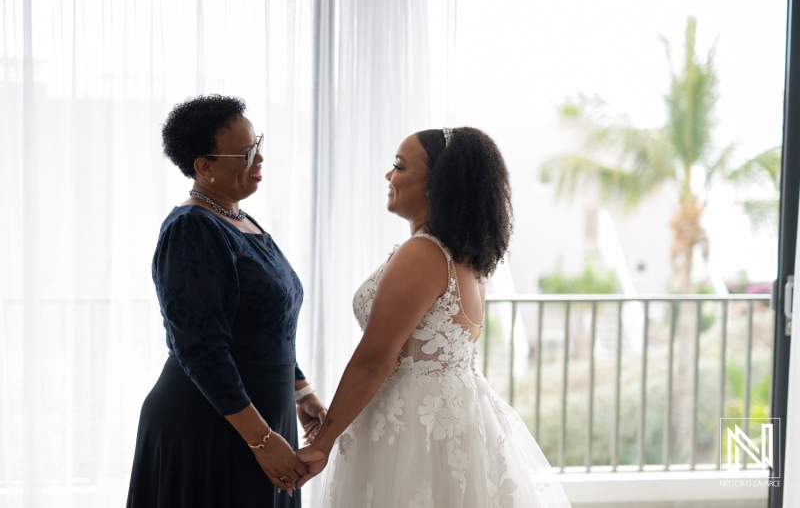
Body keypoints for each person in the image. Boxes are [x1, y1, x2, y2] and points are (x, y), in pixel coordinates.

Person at [296, 127, 572, 507]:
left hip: (414, 427)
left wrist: (322, 444)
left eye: (398, 166)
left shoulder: (423, 254)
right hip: (454, 420)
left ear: (435, 185)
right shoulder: (466, 258)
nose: (388, 176)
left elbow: (374, 360)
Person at [126, 94, 325, 508]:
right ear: (205, 166)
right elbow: (201, 348)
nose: (260, 157)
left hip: (263, 418)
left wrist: (301, 391)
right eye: (247, 151)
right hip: (214, 423)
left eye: (259, 144)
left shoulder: (239, 218)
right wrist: (262, 440)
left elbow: (266, 323)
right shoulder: (190, 229)